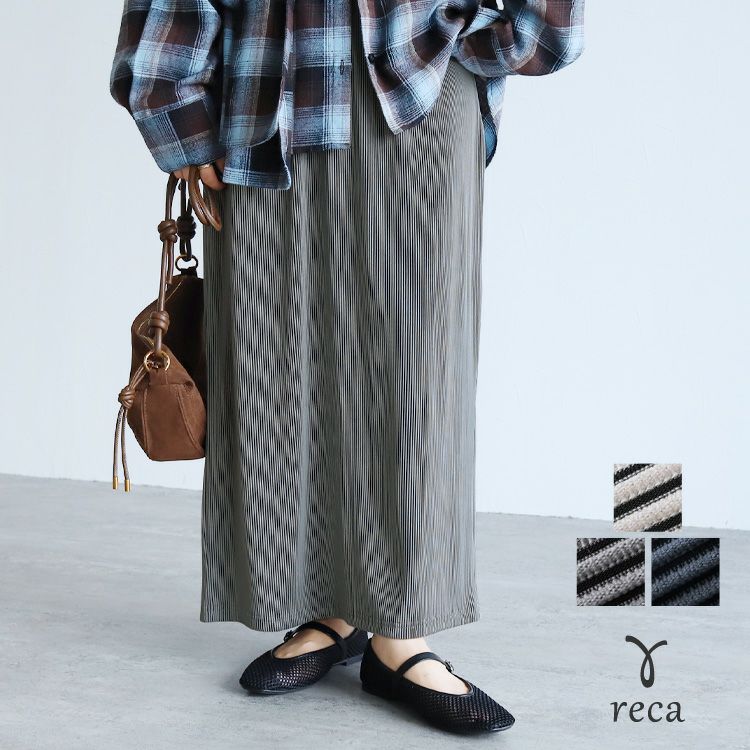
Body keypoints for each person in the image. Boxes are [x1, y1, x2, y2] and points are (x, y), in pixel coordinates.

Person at [110, 0, 585, 734]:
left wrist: (500, 38)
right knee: (276, 363)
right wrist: (175, 106)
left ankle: (401, 632)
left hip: (420, 95)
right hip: (264, 97)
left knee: (416, 369)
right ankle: (325, 605)